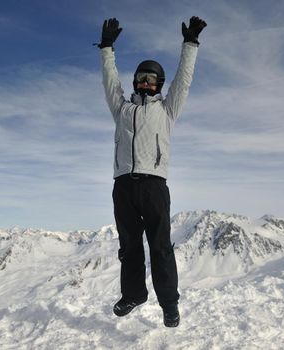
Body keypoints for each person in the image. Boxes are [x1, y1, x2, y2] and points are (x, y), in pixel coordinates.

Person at [97, 16, 206, 328]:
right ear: (135, 82)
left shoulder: (167, 110)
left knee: (160, 248)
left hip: (154, 185)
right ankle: (133, 294)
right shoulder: (122, 109)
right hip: (123, 186)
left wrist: (190, 44)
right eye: (141, 77)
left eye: (151, 78)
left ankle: (169, 305)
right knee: (129, 246)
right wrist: (107, 48)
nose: (145, 82)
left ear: (159, 84)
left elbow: (183, 81)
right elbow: (109, 82)